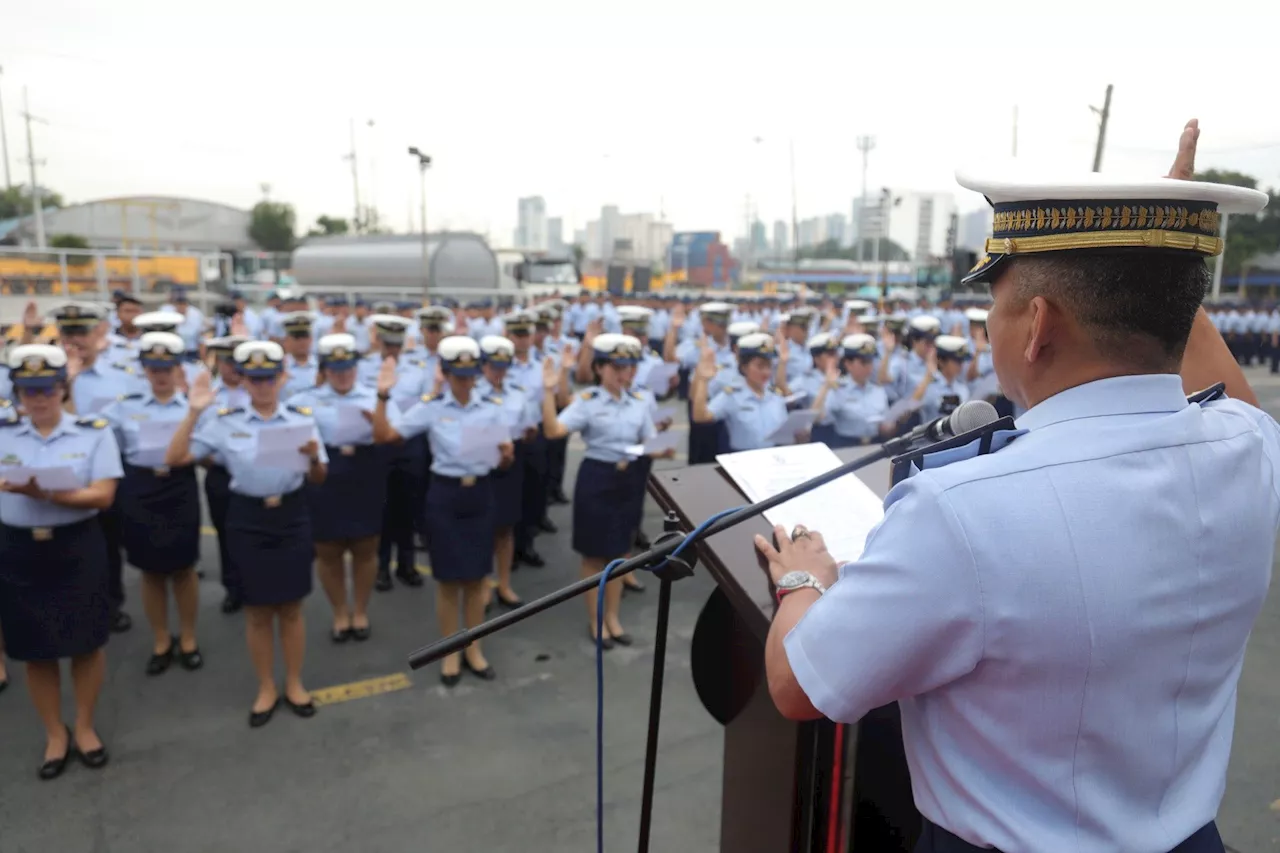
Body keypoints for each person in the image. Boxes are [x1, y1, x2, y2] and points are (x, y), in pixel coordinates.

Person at [757, 120, 1271, 853]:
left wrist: (804, 574)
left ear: (1036, 325)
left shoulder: (964, 513)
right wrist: (1161, 239)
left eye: (992, 304)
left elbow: (796, 683)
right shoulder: (1248, 449)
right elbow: (1199, 363)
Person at [166, 341, 328, 727]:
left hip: (290, 515)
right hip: (248, 518)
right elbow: (174, 459)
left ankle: (293, 682)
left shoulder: (301, 419)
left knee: (291, 608)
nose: (262, 386)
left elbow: (320, 477)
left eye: (269, 377)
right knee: (256, 611)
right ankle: (266, 686)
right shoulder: (225, 420)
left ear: (280, 377)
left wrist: (311, 458)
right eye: (255, 378)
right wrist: (193, 413)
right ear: (245, 379)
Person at [0, 345, 122, 778]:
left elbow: (104, 495)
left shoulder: (93, 432)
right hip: (19, 548)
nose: (38, 399)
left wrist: (47, 493)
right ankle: (55, 732)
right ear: (17, 391)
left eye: (47, 389)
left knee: (87, 643)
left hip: (76, 546)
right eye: (29, 390)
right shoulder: (4, 432)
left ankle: (85, 726)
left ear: (61, 388)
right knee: (36, 650)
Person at [376, 335, 514, 685]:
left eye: (470, 375)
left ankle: (474, 648)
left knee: (478, 578)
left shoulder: (491, 405)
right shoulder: (432, 407)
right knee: (450, 582)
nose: (465, 381)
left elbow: (502, 455)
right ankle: (451, 650)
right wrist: (382, 397)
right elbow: (389, 436)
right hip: (446, 495)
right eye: (458, 375)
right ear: (447, 374)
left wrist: (506, 455)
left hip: (479, 494)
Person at [541, 334, 672, 648]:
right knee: (593, 555)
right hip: (597, 478)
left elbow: (649, 441)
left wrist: (661, 448)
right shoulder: (587, 402)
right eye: (617, 367)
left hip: (627, 481)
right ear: (600, 368)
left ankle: (613, 617)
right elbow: (553, 430)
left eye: (629, 367)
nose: (625, 374)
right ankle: (596, 620)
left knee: (618, 553)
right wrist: (548, 391)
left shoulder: (639, 402)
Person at [101, 332, 204, 675]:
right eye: (153, 368)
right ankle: (161, 639)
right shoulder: (124, 405)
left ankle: (188, 637)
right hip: (141, 487)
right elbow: (103, 445)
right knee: (151, 571)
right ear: (144, 369)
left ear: (177, 369)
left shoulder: (193, 405)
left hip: (179, 486)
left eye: (166, 368)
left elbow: (208, 446)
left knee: (184, 568)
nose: (160, 375)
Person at [290, 333, 396, 642]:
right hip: (325, 474)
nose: (342, 374)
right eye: (335, 368)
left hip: (365, 473)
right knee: (328, 550)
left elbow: (392, 436)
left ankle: (360, 610)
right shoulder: (302, 400)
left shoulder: (373, 395)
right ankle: (339, 611)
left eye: (348, 367)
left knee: (365, 548)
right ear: (324, 369)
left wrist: (377, 415)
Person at [56, 301, 136, 635]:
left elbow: (121, 427)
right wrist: (67, 382)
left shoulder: (118, 378)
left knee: (108, 545)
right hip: (61, 474)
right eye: (68, 331)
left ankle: (111, 603)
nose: (76, 339)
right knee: (64, 545)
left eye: (82, 331)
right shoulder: (47, 379)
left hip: (107, 472)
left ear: (96, 333)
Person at [360, 315, 429, 591]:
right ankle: (382, 566)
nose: (392, 350)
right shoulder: (365, 368)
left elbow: (424, 404)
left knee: (409, 507)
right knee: (383, 508)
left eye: (396, 345)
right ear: (378, 341)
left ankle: (407, 564)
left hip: (409, 443)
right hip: (380, 445)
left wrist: (401, 429)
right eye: (387, 344)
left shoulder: (416, 368)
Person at [476, 335, 531, 609]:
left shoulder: (517, 392)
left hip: (511, 461)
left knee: (506, 526)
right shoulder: (472, 394)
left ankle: (505, 583)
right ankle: (484, 584)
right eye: (492, 366)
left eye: (503, 366)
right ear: (482, 365)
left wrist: (529, 432)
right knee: (484, 525)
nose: (498, 372)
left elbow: (526, 426)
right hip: (483, 461)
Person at [202, 335, 251, 612]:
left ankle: (257, 583)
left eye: (236, 361)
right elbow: (195, 438)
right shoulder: (207, 395)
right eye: (225, 361)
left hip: (256, 473)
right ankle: (232, 587)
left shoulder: (259, 390)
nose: (231, 367)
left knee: (257, 531)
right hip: (219, 473)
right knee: (225, 533)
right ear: (217, 362)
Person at [691, 332, 800, 451]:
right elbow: (700, 416)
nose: (766, 372)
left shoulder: (775, 394)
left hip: (775, 455)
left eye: (769, 366)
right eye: (760, 366)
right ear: (744, 367)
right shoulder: (732, 395)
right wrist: (702, 381)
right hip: (744, 458)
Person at [810, 333, 895, 447]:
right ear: (848, 364)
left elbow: (886, 424)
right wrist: (826, 386)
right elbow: (817, 419)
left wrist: (889, 427)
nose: (869, 367)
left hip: (876, 444)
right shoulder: (838, 389)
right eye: (863, 362)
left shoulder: (877, 390)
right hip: (847, 445)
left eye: (870, 361)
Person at [918, 335, 972, 424]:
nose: (961, 365)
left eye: (962, 361)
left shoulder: (962, 389)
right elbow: (911, 407)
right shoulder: (928, 385)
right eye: (957, 361)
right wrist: (928, 375)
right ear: (941, 361)